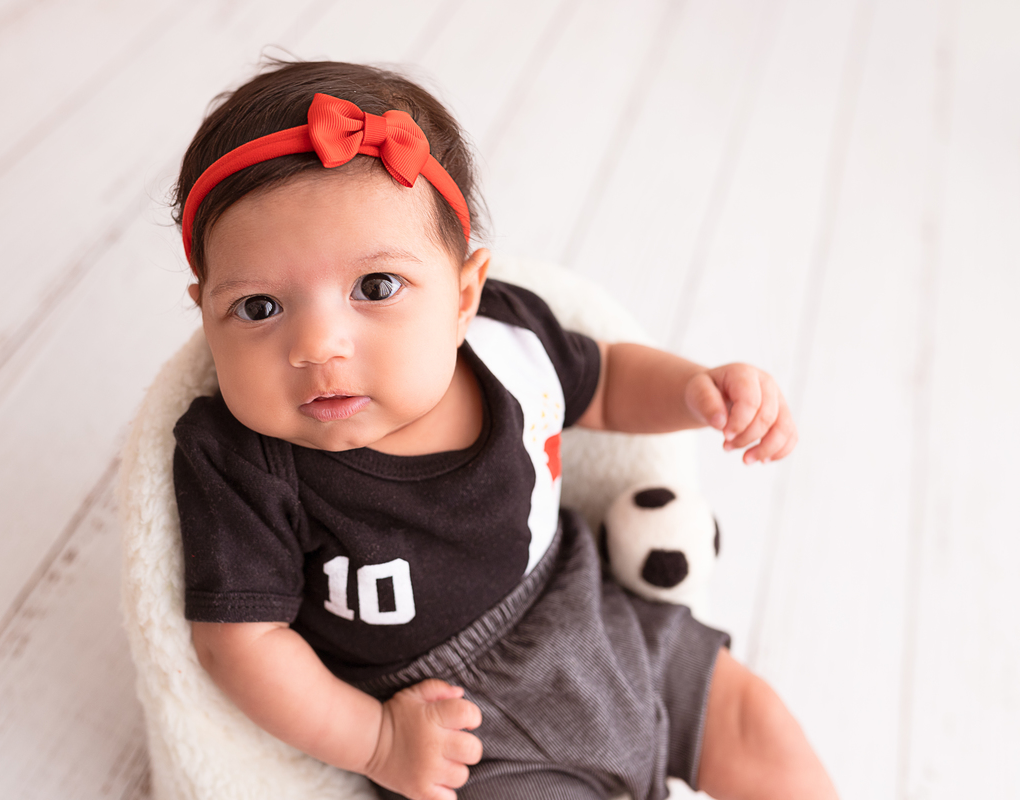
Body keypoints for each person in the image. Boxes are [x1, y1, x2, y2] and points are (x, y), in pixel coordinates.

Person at [170, 60, 838, 800]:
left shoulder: (508, 343)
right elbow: (241, 642)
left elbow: (607, 384)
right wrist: (380, 740)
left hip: (598, 615)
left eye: (376, 287)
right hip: (459, 728)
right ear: (205, 311)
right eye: (259, 307)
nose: (317, 345)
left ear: (463, 298)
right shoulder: (241, 461)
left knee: (755, 725)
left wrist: (694, 390)